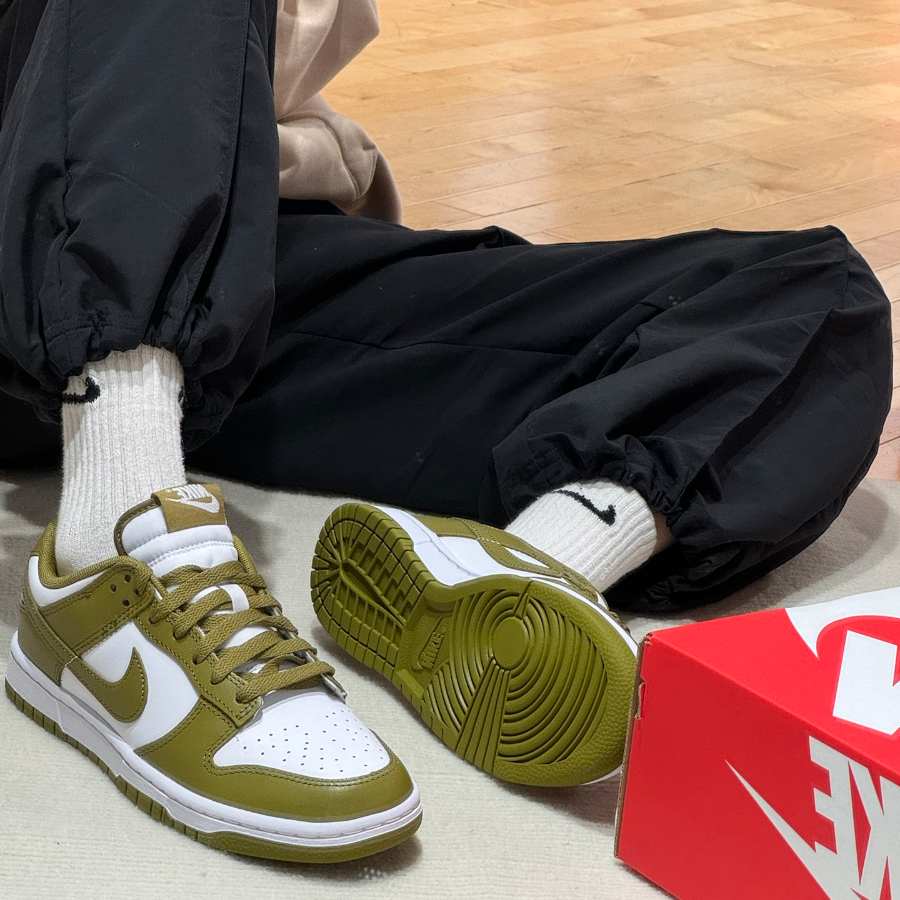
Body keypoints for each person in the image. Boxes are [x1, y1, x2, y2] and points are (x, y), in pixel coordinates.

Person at [0, 0, 891, 864]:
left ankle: (525, 568)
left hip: (226, 257)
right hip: (36, 251)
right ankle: (112, 530)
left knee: (813, 294)